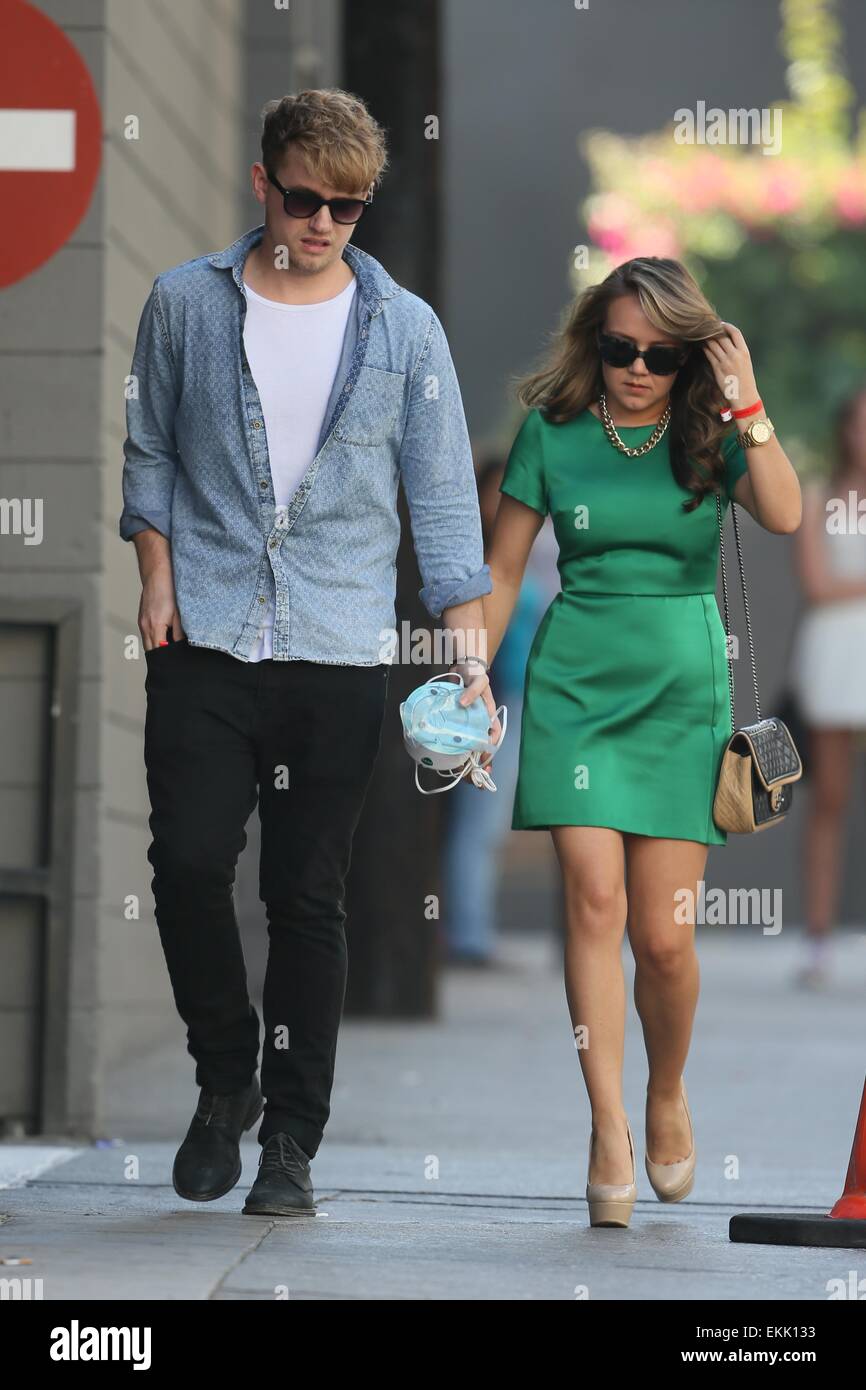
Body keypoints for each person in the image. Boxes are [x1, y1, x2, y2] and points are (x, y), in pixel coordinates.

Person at [119, 88, 498, 1218]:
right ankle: (223, 1071)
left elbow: (445, 509)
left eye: (348, 206)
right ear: (262, 185)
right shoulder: (184, 304)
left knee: (305, 898)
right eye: (303, 200)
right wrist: (155, 576)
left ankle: (289, 1140)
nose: (324, 223)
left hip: (336, 652)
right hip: (206, 635)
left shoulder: (405, 331)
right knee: (189, 865)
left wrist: (471, 669)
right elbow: (149, 454)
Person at [483, 257, 801, 1228]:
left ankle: (665, 1089)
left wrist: (747, 402)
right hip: (575, 686)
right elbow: (503, 571)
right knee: (592, 900)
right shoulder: (551, 431)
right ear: (595, 339)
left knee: (662, 939)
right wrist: (467, 679)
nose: (636, 369)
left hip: (681, 693)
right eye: (621, 348)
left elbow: (786, 512)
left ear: (688, 358)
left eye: (661, 356)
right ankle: (608, 1125)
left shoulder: (710, 431)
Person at [441, 457, 555, 966]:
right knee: (480, 822)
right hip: (496, 701)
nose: (507, 503)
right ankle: (468, 937)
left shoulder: (535, 551)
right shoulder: (475, 562)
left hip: (540, 700)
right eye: (498, 493)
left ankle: (477, 933)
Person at [789, 386, 866, 988]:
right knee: (830, 800)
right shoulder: (819, 493)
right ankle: (818, 939)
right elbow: (816, 583)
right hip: (835, 658)